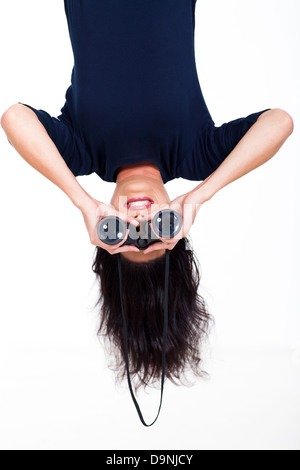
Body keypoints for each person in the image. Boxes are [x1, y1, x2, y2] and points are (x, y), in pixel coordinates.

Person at [0, 1, 294, 392]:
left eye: (128, 238)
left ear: (106, 234)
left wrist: (82, 201)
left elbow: (14, 118)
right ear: (177, 228)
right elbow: (280, 122)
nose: (140, 222)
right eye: (155, 234)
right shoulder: (196, 153)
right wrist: (199, 196)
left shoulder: (82, 152)